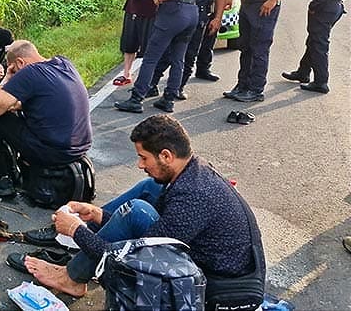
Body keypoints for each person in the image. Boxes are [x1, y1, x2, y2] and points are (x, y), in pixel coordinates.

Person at [20, 115, 263, 309]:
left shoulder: (193, 197)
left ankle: (72, 277)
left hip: (222, 289)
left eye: (143, 158)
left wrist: (76, 231)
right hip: (210, 260)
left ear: (166, 155)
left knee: (136, 211)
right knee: (149, 188)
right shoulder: (191, 171)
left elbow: (135, 257)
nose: (140, 165)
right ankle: (89, 237)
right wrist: (97, 214)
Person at [0, 40, 92, 197]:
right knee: (10, 109)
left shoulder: (30, 73)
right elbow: (46, 100)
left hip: (54, 152)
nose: (14, 74)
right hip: (80, 147)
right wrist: (15, 105)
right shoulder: (63, 63)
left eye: (14, 70)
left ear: (20, 63)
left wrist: (6, 79)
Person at [115, 0, 211, 113]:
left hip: (174, 11)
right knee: (178, 58)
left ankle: (136, 98)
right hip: (191, 11)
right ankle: (169, 99)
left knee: (151, 57)